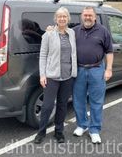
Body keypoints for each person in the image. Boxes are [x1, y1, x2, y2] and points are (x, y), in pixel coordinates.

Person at [34, 7, 77, 144]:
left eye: (65, 16)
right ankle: (41, 132)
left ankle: (59, 131)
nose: (62, 19)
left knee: (63, 105)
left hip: (67, 76)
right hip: (52, 76)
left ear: (68, 18)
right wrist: (42, 75)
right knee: (47, 106)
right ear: (56, 19)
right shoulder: (49, 34)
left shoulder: (72, 33)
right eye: (60, 16)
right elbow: (43, 55)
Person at [72, 6, 114, 144]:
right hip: (79, 70)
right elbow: (61, 36)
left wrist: (108, 69)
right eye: (85, 15)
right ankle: (82, 125)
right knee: (79, 100)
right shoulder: (75, 31)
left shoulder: (103, 31)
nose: (87, 17)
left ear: (95, 17)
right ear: (81, 16)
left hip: (97, 70)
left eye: (90, 15)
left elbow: (109, 51)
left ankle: (94, 130)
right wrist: (51, 30)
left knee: (96, 101)